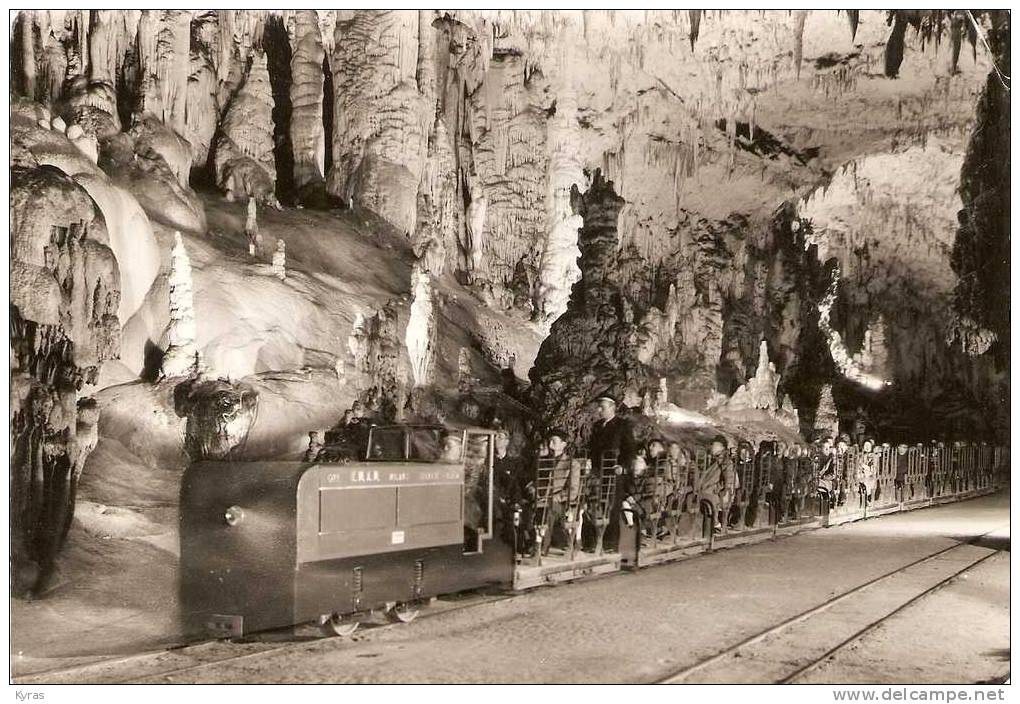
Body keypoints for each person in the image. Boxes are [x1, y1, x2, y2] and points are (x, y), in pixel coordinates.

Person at [584, 395, 635, 552]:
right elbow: (592, 448)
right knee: (594, 504)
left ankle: (610, 543)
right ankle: (592, 542)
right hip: (598, 471)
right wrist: (589, 461)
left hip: (614, 471)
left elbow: (630, 449)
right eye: (599, 407)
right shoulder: (598, 426)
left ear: (612, 408)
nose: (600, 410)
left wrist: (622, 466)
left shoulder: (622, 425)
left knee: (612, 506)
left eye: (603, 407)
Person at [493, 428, 531, 554]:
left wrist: (515, 500)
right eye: (495, 437)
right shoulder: (490, 461)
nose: (496, 440)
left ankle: (519, 548)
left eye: (500, 437)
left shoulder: (514, 462)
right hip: (495, 498)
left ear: (507, 442)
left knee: (516, 516)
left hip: (511, 497)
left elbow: (516, 484)